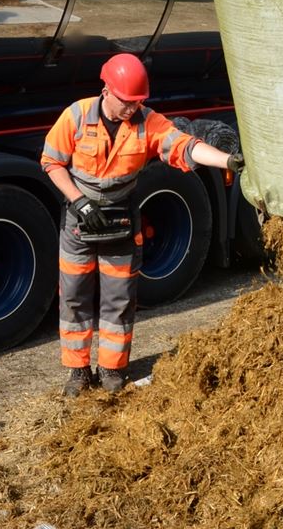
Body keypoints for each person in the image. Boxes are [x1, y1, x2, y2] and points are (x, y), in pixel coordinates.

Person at [41, 53, 246, 397]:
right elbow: (51, 162)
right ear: (106, 90)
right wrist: (80, 200)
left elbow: (186, 147)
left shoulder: (146, 122)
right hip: (80, 220)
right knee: (74, 298)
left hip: (121, 221)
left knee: (118, 300)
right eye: (126, 101)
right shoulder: (75, 116)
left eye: (138, 102)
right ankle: (78, 371)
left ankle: (111, 368)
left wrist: (227, 159)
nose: (132, 109)